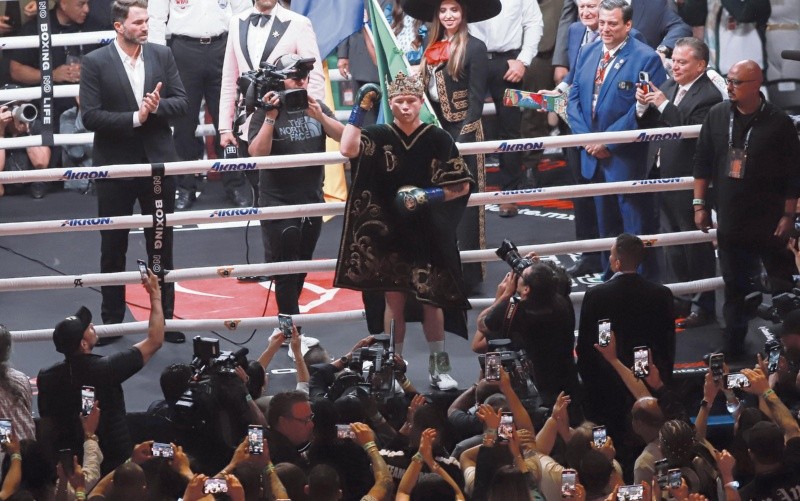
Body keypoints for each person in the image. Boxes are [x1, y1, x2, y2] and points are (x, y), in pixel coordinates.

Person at [335, 73, 473, 390]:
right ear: (391, 104)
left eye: (411, 100)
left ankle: (440, 368)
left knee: (432, 301)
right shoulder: (379, 134)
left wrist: (427, 195)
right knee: (394, 303)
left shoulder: (438, 137)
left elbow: (462, 185)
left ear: (421, 102)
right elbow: (347, 148)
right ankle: (392, 370)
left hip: (428, 232)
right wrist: (359, 109)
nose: (406, 106)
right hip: (390, 233)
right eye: (399, 101)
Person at [79, 0, 188, 345]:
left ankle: (164, 319)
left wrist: (154, 108)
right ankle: (112, 322)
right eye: (138, 22)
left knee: (161, 243)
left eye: (146, 21)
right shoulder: (95, 62)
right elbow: (90, 116)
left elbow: (182, 102)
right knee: (113, 245)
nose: (145, 27)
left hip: (157, 163)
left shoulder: (162, 55)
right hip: (115, 166)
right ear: (119, 26)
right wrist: (135, 118)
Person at [693, 59, 800, 358]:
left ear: (756, 85)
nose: (730, 86)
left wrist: (788, 215)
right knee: (734, 287)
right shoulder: (717, 115)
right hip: (731, 219)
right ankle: (734, 346)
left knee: (782, 286)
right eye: (729, 80)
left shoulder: (779, 122)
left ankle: (792, 349)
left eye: (737, 82)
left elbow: (793, 174)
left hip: (771, 220)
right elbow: (702, 161)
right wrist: (699, 204)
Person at [566, 0, 667, 280]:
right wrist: (588, 141)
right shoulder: (588, 51)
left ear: (628, 25)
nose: (605, 29)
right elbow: (573, 99)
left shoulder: (646, 58)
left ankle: (641, 284)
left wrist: (607, 142)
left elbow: (642, 109)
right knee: (605, 226)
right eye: (602, 23)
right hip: (592, 154)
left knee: (634, 227)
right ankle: (609, 280)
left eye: (612, 23)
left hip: (626, 158)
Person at [406, 0, 497, 293]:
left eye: (454, 10)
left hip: (464, 133)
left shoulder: (475, 47)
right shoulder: (429, 47)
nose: (448, 16)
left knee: (466, 204)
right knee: (435, 202)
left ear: (463, 13)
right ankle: (439, 269)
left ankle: (468, 276)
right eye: (443, 10)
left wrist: (460, 143)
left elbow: (476, 103)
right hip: (436, 131)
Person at [248, 53, 343, 327]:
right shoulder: (266, 110)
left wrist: (320, 117)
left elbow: (345, 138)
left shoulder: (316, 106)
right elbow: (257, 154)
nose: (301, 82)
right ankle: (292, 329)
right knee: (286, 268)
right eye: (294, 77)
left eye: (304, 77)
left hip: (312, 198)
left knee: (302, 265)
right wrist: (270, 118)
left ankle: (288, 325)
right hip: (278, 201)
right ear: (280, 81)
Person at [37, 270, 165, 474]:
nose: (92, 325)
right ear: (83, 343)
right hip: (116, 459)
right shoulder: (106, 368)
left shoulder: (46, 377)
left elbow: (47, 421)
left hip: (74, 459)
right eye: (87, 328)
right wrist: (155, 296)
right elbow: (155, 340)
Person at [635, 37, 723, 328]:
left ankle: (703, 305)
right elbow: (651, 124)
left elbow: (688, 131)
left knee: (695, 243)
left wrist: (661, 103)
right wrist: (642, 106)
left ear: (701, 65)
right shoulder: (670, 85)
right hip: (663, 174)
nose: (675, 66)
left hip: (689, 179)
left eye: (683, 62)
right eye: (674, 60)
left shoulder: (709, 96)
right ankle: (680, 298)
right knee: (671, 242)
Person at [148, 0, 251, 211]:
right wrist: (159, 59)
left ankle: (235, 183)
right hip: (183, 49)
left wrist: (242, 50)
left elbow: (244, 12)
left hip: (223, 46)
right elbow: (156, 18)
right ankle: (185, 186)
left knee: (228, 121)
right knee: (183, 125)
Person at [576, 233, 675, 447]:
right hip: (647, 379)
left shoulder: (596, 295)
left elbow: (586, 348)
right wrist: (661, 385)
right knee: (647, 440)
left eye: (611, 255)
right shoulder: (661, 294)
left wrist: (591, 385)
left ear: (617, 263)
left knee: (606, 443)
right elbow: (667, 346)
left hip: (606, 386)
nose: (610, 259)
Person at [218, 0, 323, 172]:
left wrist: (311, 122)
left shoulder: (299, 23)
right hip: (248, 123)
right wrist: (225, 127)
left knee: (291, 182)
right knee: (255, 182)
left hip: (289, 124)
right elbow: (230, 78)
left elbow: (315, 76)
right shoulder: (236, 22)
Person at [473, 262, 582, 418]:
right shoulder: (563, 303)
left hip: (534, 389)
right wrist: (540, 272)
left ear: (526, 289)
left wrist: (504, 296)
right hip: (567, 384)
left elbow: (482, 324)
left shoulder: (514, 312)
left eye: (522, 276)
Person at [468, 0, 543, 218]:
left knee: (510, 130)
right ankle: (466, 191)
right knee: (465, 125)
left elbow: (534, 22)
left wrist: (523, 60)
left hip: (508, 63)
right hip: (470, 61)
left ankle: (509, 193)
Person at [9, 0, 104, 129]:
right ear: (63, 4)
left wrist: (91, 71)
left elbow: (111, 64)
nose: (87, 9)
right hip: (49, 112)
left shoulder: (96, 26)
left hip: (90, 107)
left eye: (88, 3)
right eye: (81, 4)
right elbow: (16, 70)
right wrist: (51, 75)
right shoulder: (36, 27)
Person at [552, 0, 691, 82]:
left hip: (636, 85)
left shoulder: (655, 4)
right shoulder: (589, 10)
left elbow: (680, 28)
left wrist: (661, 51)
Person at [0, 96, 51, 199]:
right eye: (12, 106)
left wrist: (26, 132)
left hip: (33, 191)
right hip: (5, 192)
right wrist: (0, 131)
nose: (17, 109)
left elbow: (41, 163)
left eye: (21, 105)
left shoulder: (35, 125)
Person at [0, 325, 35, 447]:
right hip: (30, 451)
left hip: (13, 453)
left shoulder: (20, 379)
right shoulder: (20, 378)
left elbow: (6, 444)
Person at [264, 390, 315, 471]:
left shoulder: (260, 436)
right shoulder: (286, 460)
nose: (311, 424)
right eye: (305, 420)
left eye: (310, 417)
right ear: (283, 422)